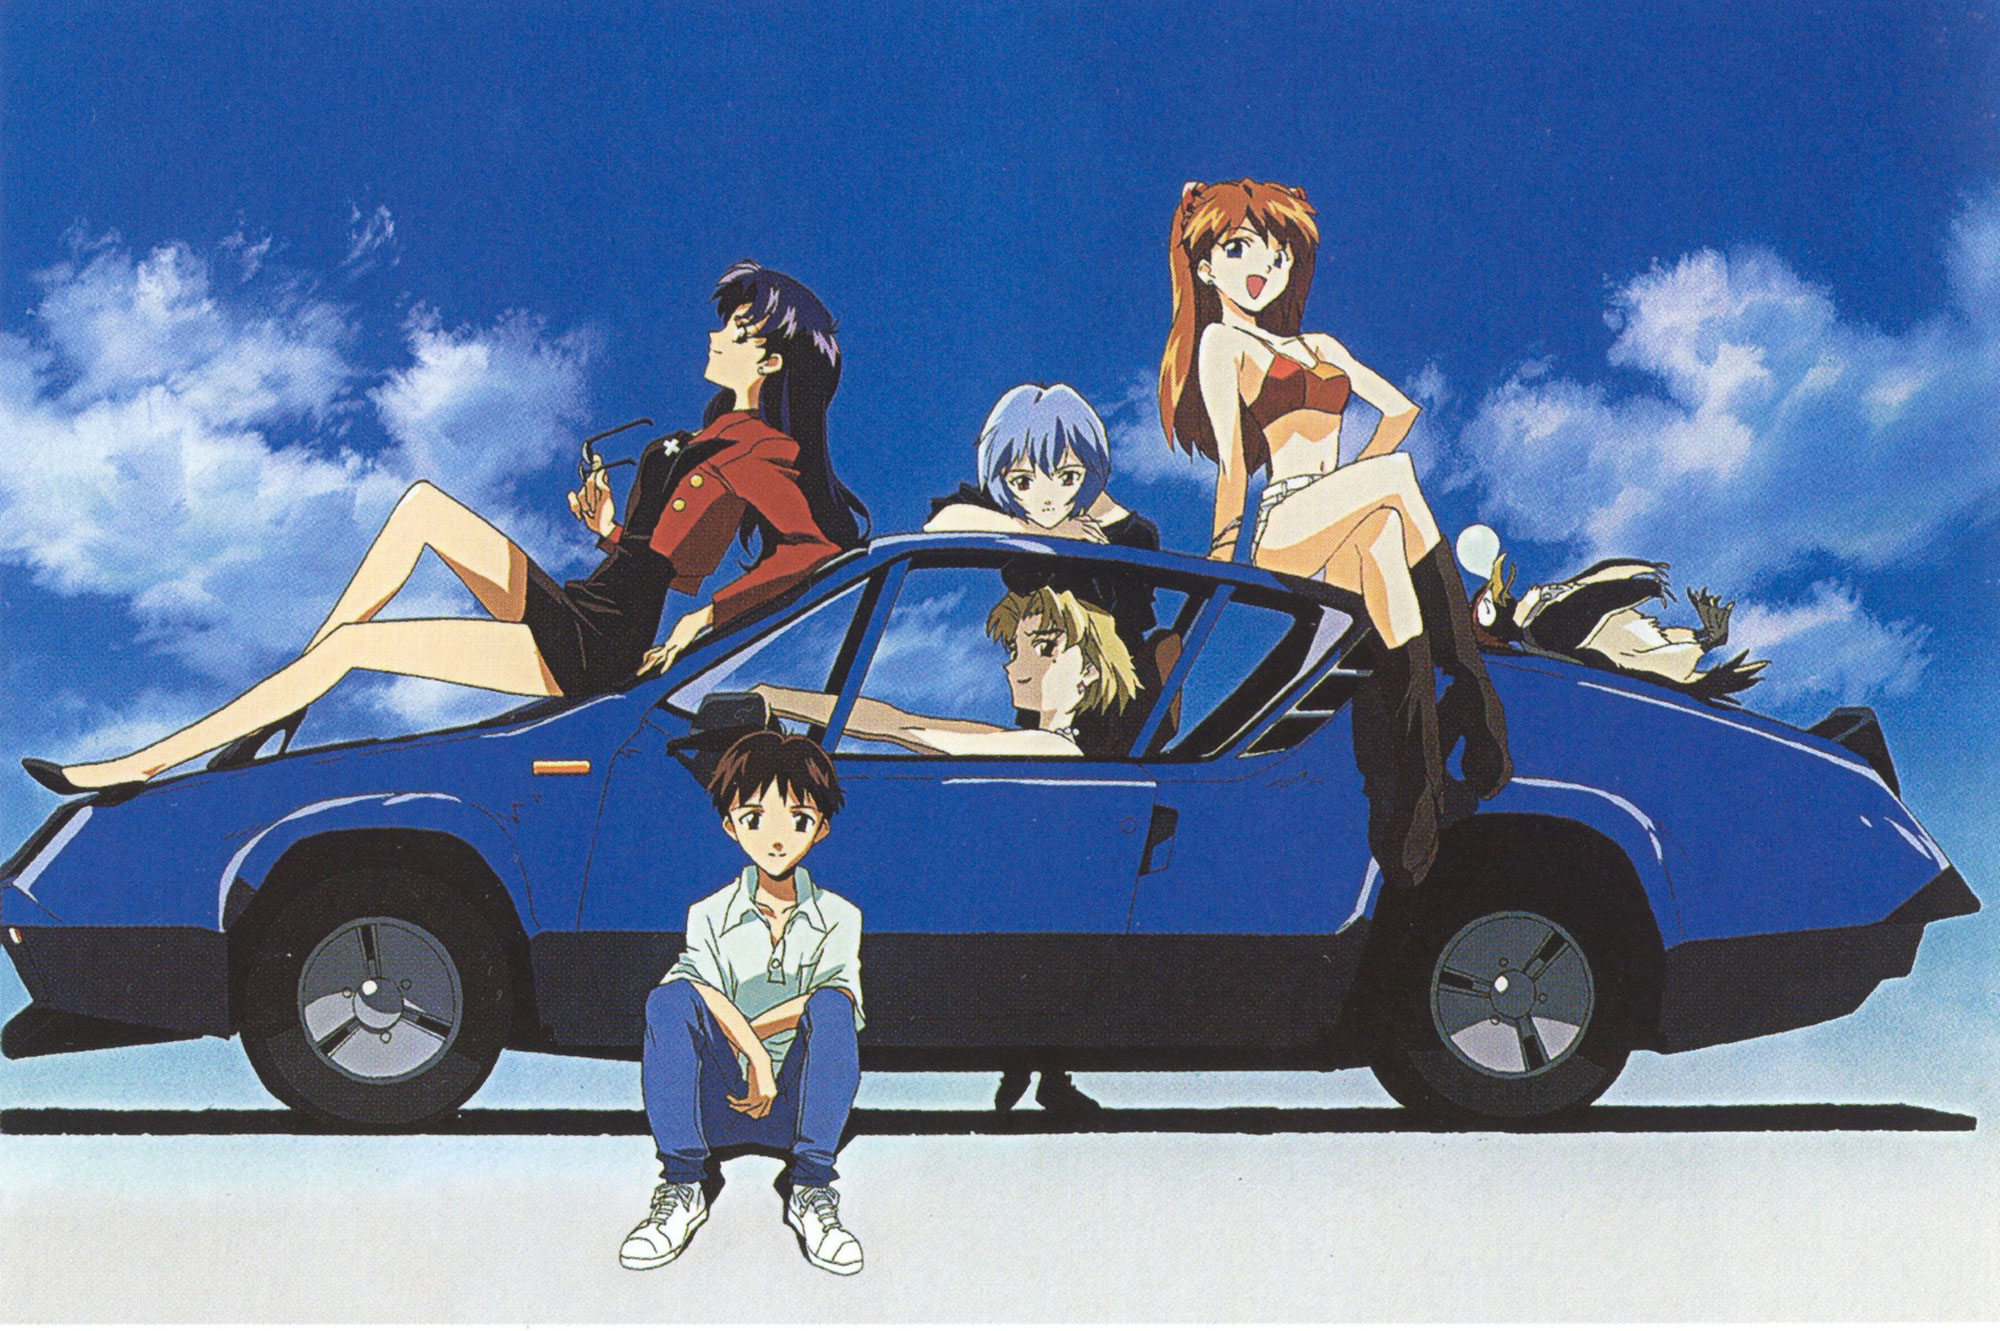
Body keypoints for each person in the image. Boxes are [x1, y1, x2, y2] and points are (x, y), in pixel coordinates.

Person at [24, 262, 866, 794]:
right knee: (423, 506)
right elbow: (660, 550)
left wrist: (703, 619)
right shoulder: (710, 434)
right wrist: (609, 528)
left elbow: (819, 548)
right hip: (586, 603)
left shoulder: (765, 451)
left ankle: (142, 763)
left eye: (734, 328)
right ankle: (285, 701)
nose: (714, 334)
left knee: (354, 646)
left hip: (601, 647)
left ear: (769, 358)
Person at [1158, 179, 1511, 890]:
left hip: (1336, 514)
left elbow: (1399, 409)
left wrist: (1350, 482)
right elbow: (1234, 467)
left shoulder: (1318, 344)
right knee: (1394, 482)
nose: (1262, 266)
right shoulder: (1222, 343)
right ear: (1205, 266)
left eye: (1277, 252)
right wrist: (1221, 562)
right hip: (1285, 525)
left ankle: (1413, 807)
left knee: (1385, 542)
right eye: (1239, 248)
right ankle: (1474, 691)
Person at [620, 729, 867, 1276]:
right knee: (669, 1000)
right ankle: (683, 1186)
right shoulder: (709, 913)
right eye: (755, 818)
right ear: (731, 826)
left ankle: (811, 1189)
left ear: (821, 828)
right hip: (723, 1095)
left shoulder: (840, 916)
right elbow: (697, 989)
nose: (776, 838)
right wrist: (754, 1055)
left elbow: (835, 999)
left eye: (797, 819)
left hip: (798, 1102)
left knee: (832, 1009)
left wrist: (760, 1047)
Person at [925, 384, 1165, 766]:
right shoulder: (1020, 511)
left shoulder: (1128, 537)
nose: (1046, 497)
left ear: (1089, 470)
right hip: (1039, 691)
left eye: (1067, 476)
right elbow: (941, 522)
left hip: (1099, 700)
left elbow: (1120, 642)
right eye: (1023, 482)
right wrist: (1037, 533)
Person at [753, 583, 1140, 759]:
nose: (1016, 666)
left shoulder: (1052, 749)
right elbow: (899, 721)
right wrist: (775, 699)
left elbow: (905, 729)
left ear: (1090, 670)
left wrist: (776, 699)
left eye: (1044, 648)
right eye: (1015, 650)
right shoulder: (1030, 742)